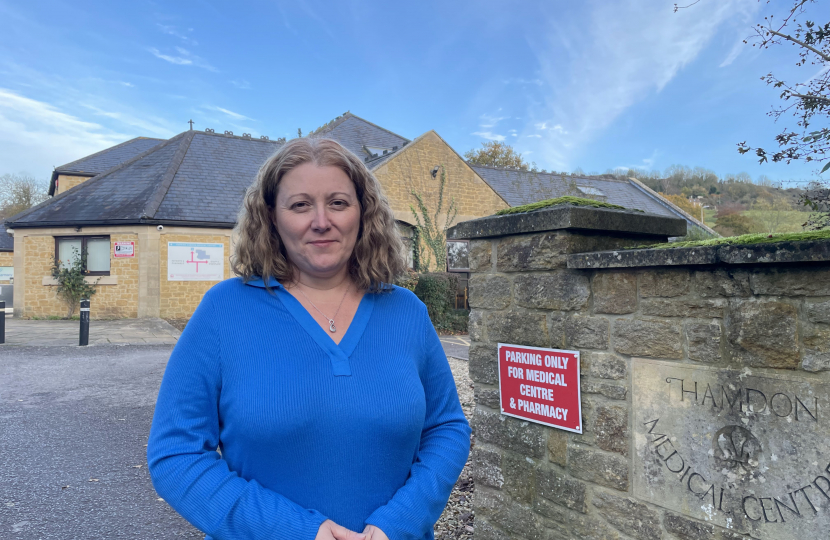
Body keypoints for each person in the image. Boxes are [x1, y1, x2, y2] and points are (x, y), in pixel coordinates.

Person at [147, 137, 471, 540]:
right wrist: (297, 531)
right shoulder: (223, 311)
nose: (321, 220)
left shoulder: (406, 312)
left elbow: (447, 428)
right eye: (300, 205)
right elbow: (177, 455)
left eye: (338, 202)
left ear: (363, 212)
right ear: (271, 216)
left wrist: (399, 522)